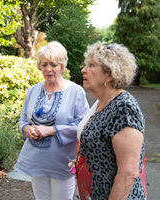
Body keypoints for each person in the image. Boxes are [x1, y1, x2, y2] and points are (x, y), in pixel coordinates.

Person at [14, 41, 89, 200]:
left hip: (62, 162)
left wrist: (52, 130)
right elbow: (22, 120)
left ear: (62, 66)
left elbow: (84, 127)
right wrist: (26, 129)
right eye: (44, 64)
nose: (48, 69)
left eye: (54, 64)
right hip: (36, 160)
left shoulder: (76, 92)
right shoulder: (32, 91)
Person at [74, 42, 146, 199]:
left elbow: (128, 173)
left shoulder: (124, 107)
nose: (83, 70)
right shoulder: (101, 102)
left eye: (91, 65)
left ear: (110, 74)